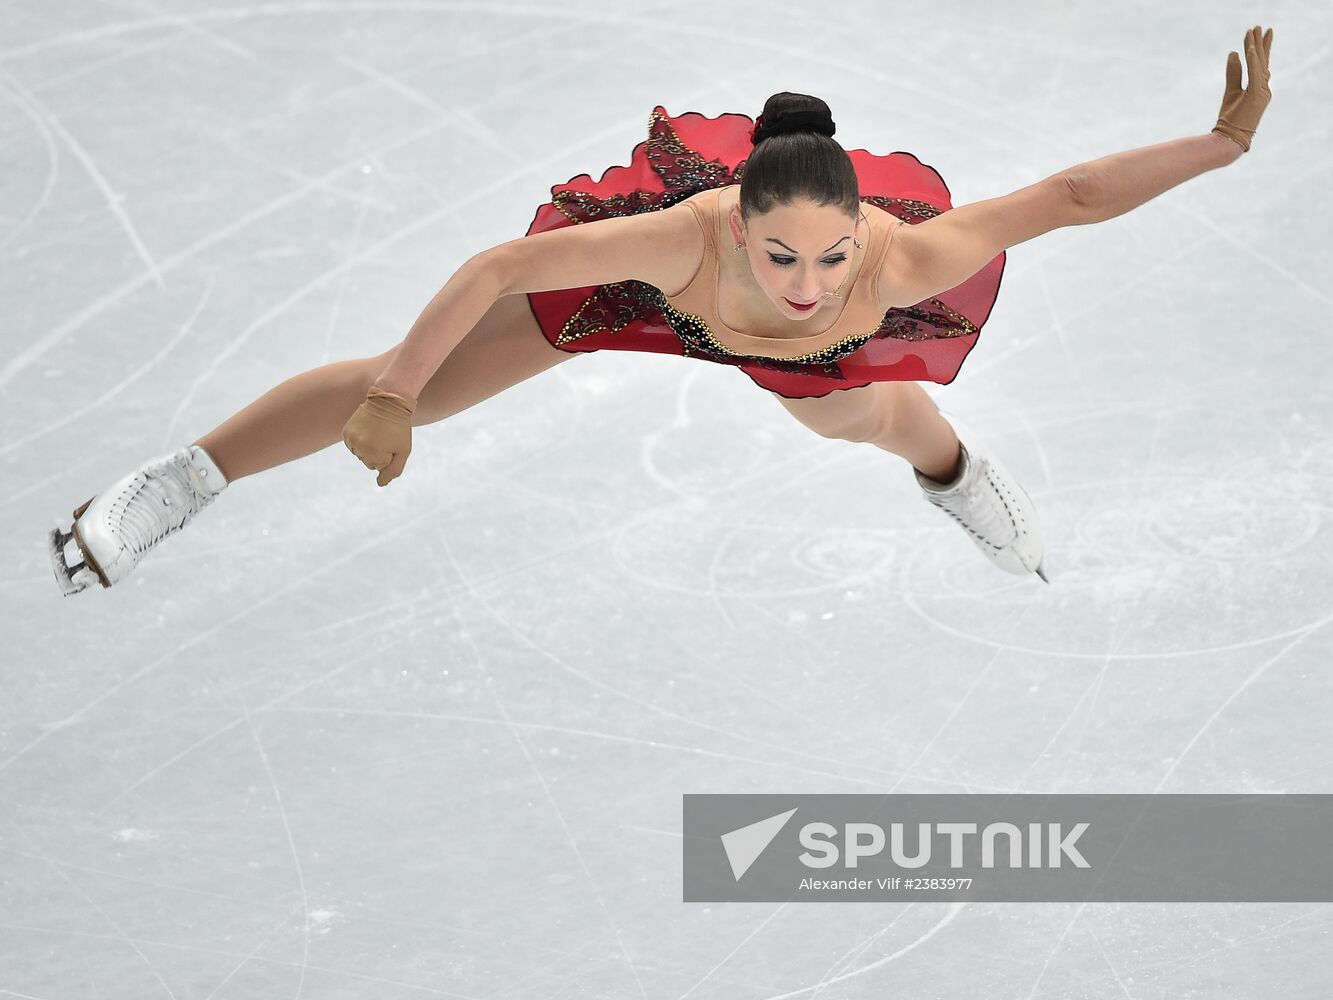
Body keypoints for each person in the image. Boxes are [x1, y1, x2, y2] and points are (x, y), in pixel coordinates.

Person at [47, 26, 1274, 596]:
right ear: (739, 225)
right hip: (650, 300)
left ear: (862, 231)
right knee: (416, 377)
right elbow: (495, 269)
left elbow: (1067, 196)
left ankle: (959, 480)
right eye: (781, 255)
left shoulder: (895, 263)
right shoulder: (678, 239)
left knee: (872, 422)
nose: (807, 282)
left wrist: (1219, 145)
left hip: (815, 364)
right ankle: (179, 482)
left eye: (831, 256)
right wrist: (394, 392)